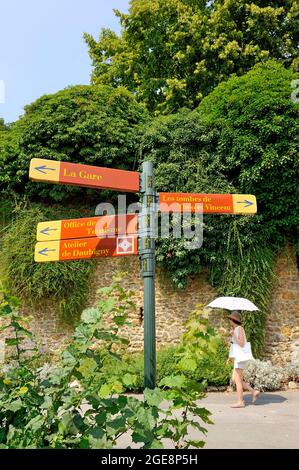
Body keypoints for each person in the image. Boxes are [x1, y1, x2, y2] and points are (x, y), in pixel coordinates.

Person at [227, 311, 260, 408]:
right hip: (237, 357)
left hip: (240, 357)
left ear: (233, 320)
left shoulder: (239, 329)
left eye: (230, 319)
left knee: (237, 379)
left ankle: (240, 402)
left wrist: (233, 335)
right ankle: (254, 392)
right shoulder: (235, 329)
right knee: (234, 379)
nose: (229, 321)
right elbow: (234, 345)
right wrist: (230, 357)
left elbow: (241, 344)